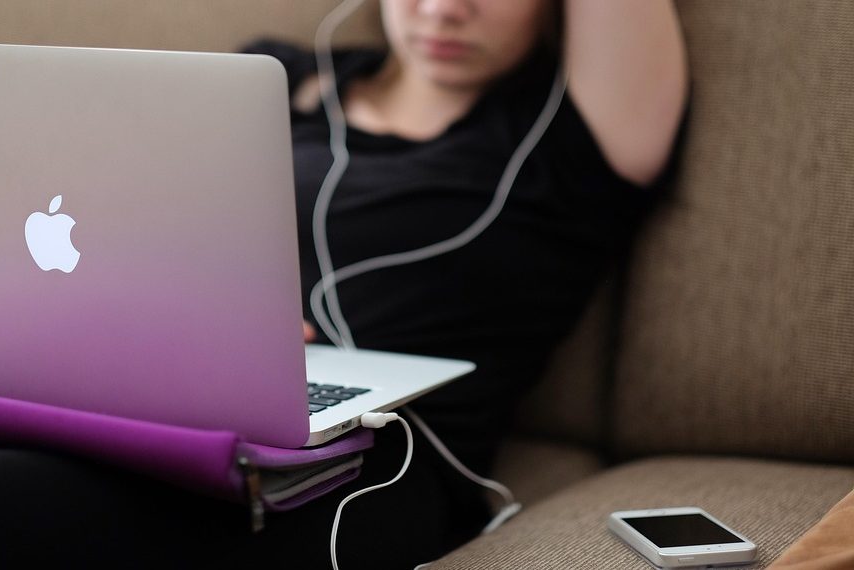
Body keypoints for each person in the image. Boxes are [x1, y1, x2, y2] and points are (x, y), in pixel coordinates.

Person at [228, 0, 690, 567]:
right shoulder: (272, 77)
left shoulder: (573, 132)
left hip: (381, 462)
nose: (443, 9)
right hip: (204, 395)